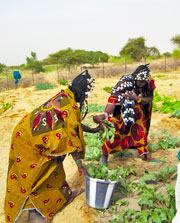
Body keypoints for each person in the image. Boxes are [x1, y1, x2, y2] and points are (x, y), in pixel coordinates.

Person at [4, 70, 101, 223]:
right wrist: (79, 165)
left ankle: (64, 196)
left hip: (25, 133)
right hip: (28, 141)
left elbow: (73, 124)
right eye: (87, 94)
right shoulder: (69, 106)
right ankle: (35, 215)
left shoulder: (65, 96)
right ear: (82, 93)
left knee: (53, 168)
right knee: (34, 175)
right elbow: (73, 139)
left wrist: (92, 130)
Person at [93, 64, 158, 166]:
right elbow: (113, 100)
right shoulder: (125, 83)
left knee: (141, 130)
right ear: (135, 77)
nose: (142, 84)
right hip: (122, 110)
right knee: (116, 132)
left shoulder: (148, 84)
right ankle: (104, 157)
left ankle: (146, 155)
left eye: (144, 82)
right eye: (140, 81)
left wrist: (137, 99)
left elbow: (149, 98)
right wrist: (105, 114)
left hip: (138, 110)